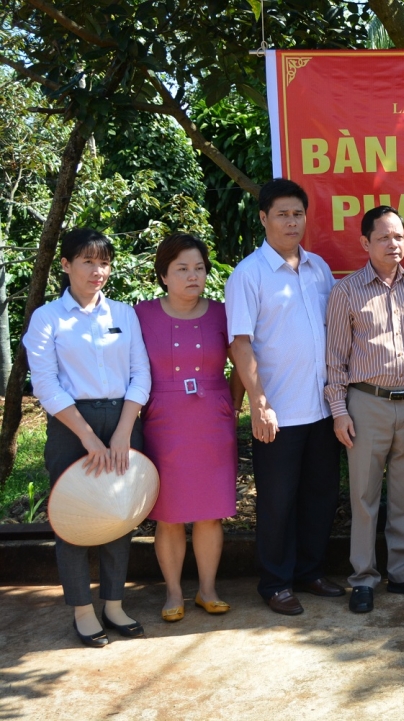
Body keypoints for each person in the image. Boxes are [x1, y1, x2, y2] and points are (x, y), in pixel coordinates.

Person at [24, 228, 151, 647]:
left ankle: (114, 603)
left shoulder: (123, 313)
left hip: (122, 421)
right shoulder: (48, 318)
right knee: (73, 517)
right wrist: (88, 437)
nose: (98, 271)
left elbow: (140, 374)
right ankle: (82, 610)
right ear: (66, 265)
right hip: (69, 425)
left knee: (119, 512)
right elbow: (44, 385)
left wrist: (122, 432)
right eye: (88, 262)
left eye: (104, 263)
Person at [225, 178, 344, 615]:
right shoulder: (248, 275)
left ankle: (310, 572)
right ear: (263, 218)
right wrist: (258, 402)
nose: (291, 222)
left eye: (298, 214)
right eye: (282, 214)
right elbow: (240, 344)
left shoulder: (319, 269)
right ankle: (275, 582)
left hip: (321, 408)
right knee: (277, 501)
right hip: (277, 411)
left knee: (321, 495)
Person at [325, 206, 404, 614]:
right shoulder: (346, 292)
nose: (394, 245)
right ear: (364, 243)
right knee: (364, 496)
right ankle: (363, 578)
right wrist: (339, 410)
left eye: (399, 237)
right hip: (366, 404)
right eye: (384, 238)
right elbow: (335, 360)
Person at [136, 234, 241, 622]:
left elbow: (242, 360)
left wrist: (231, 401)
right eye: (181, 269)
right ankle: (174, 592)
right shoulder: (141, 314)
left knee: (210, 512)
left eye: (198, 268)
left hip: (213, 419)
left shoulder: (222, 313)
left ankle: (208, 590)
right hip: (164, 419)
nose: (192, 276)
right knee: (169, 512)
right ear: (163, 274)